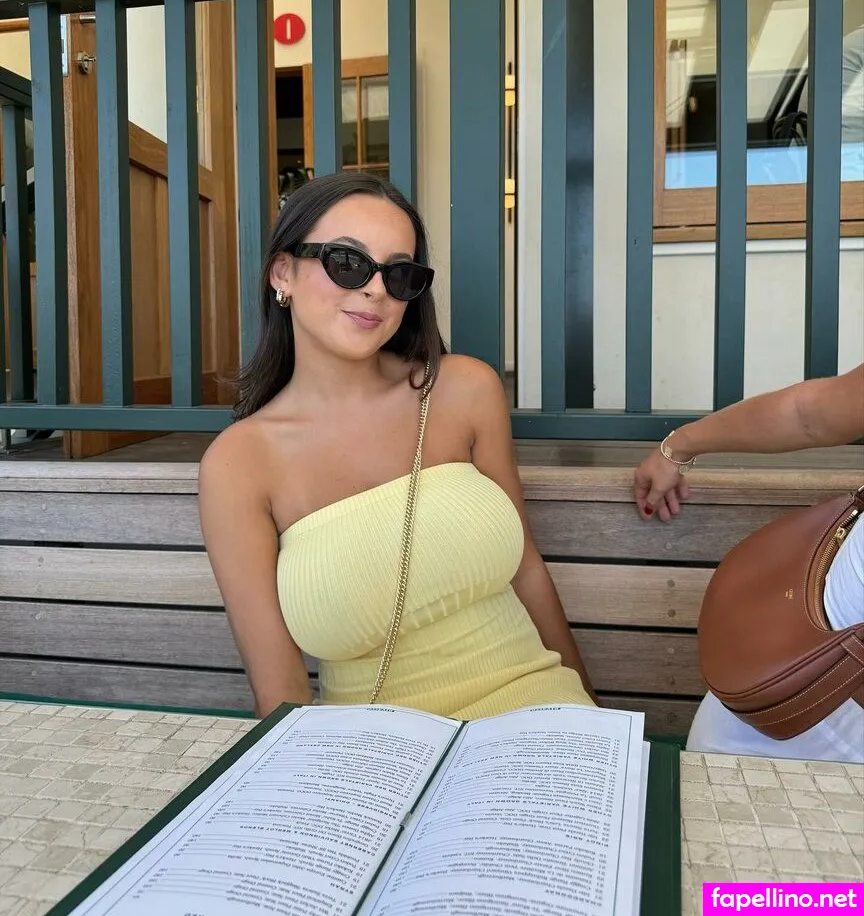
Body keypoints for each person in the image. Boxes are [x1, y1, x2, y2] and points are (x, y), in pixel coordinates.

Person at [199, 171, 594, 720]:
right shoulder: (240, 463)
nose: (377, 290)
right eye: (347, 262)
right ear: (282, 273)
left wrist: (593, 714)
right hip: (375, 751)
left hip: (537, 717)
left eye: (400, 273)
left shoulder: (463, 390)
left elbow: (526, 567)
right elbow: (280, 688)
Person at [634, 364, 864, 762]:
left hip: (803, 705)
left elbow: (808, 415)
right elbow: (808, 415)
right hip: (778, 702)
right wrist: (678, 446)